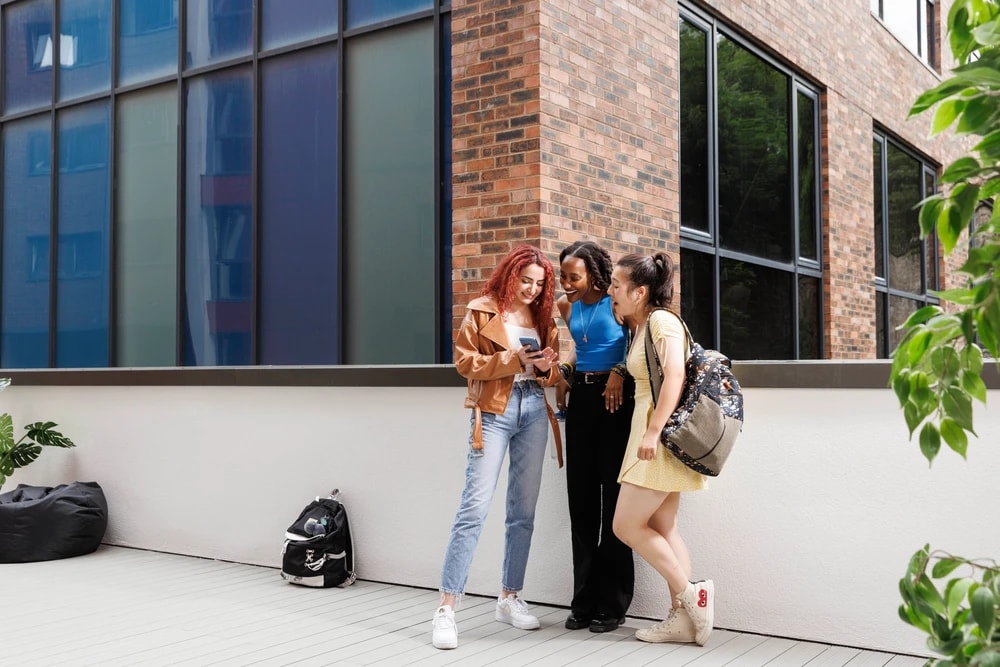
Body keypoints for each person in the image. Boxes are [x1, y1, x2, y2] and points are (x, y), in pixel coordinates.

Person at [432, 244, 564, 650]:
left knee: (522, 512)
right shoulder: (483, 309)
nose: (531, 289)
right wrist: (512, 358)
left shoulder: (544, 317)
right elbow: (463, 362)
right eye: (525, 280)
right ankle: (447, 608)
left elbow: (555, 373)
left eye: (539, 284)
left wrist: (546, 368)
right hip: (493, 412)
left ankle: (509, 597)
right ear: (510, 275)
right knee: (473, 509)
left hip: (533, 412)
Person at [607, 252, 715, 646]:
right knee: (664, 527)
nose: (611, 292)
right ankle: (682, 620)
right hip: (652, 440)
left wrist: (652, 433)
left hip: (657, 442)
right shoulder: (642, 326)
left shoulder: (661, 321)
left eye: (617, 286)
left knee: (625, 526)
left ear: (639, 292)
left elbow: (675, 374)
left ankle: (692, 596)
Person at [555, 240, 635, 633]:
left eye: (574, 277)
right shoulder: (565, 306)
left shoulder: (616, 302)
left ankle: (613, 603)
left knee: (614, 502)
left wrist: (619, 370)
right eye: (563, 276)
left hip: (616, 402)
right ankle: (583, 600)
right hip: (584, 401)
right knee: (581, 501)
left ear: (593, 274)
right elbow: (578, 345)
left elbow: (636, 346)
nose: (567, 284)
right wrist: (567, 374)